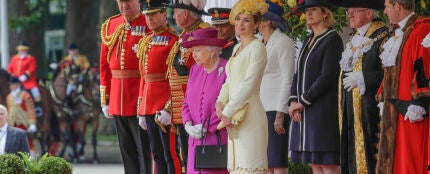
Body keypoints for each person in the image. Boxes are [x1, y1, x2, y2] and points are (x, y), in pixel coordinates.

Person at [332, 0, 389, 173]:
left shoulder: (384, 36)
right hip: (350, 109)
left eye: (354, 11)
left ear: (369, 13)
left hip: (371, 111)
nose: (349, 14)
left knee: (371, 158)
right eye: (349, 11)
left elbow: (391, 74)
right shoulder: (354, 38)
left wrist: (365, 77)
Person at [287, 0, 343, 173]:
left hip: (322, 110)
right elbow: (297, 73)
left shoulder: (332, 39)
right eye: (307, 10)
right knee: (313, 163)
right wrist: (293, 101)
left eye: (313, 10)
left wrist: (303, 101)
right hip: (304, 112)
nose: (308, 14)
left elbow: (327, 77)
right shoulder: (308, 39)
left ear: (325, 13)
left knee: (327, 163)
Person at [376, 0, 430, 173]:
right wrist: (383, 95)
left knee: (411, 161)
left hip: (412, 111)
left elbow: (423, 66)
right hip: (394, 111)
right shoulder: (397, 34)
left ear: (397, 6)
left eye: (387, 6)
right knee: (395, 160)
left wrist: (419, 103)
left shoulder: (422, 30)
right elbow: (390, 71)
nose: (384, 11)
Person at [215, 0, 269, 173]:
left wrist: (227, 112)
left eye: (246, 20)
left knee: (250, 168)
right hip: (233, 117)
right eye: (238, 19)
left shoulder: (257, 47)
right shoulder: (237, 47)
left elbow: (248, 85)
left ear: (257, 24)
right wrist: (220, 102)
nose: (240, 24)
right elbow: (229, 81)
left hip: (250, 116)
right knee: (237, 168)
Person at [99, 0, 151, 173]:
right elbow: (104, 66)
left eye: (128, 2)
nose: (124, 6)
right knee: (126, 151)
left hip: (138, 96)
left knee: (143, 150)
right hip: (116, 97)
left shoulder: (148, 22)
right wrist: (105, 99)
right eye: (121, 2)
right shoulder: (111, 24)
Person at [162, 0, 211, 172]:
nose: (173, 16)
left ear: (185, 14)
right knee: (184, 156)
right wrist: (170, 106)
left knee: (196, 157)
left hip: (196, 106)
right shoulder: (184, 35)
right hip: (181, 105)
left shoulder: (203, 32)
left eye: (175, 12)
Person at [135, 0, 180, 173]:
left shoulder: (174, 40)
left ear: (164, 14)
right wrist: (141, 110)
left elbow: (175, 79)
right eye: (147, 15)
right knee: (157, 155)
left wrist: (169, 107)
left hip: (164, 105)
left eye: (153, 14)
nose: (149, 18)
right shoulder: (146, 41)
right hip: (148, 104)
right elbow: (143, 78)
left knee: (171, 154)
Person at [180, 28, 229, 174]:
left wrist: (207, 126)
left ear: (213, 51)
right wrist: (188, 124)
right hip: (194, 141)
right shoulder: (195, 69)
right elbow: (186, 103)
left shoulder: (227, 68)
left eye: (197, 50)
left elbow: (228, 103)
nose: (193, 54)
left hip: (217, 140)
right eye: (193, 50)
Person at [258, 0, 295, 173]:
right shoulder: (260, 44)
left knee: (277, 162)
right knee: (264, 162)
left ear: (267, 21)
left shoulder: (283, 41)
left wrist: (281, 113)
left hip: (275, 108)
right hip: (260, 108)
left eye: (258, 17)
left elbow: (288, 78)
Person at [7, 41, 42, 116]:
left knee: (35, 91)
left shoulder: (31, 58)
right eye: (20, 50)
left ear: (26, 50)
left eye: (23, 50)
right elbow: (9, 69)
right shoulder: (14, 58)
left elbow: (32, 69)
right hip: (15, 81)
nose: (21, 51)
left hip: (28, 81)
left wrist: (25, 76)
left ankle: (38, 107)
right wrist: (13, 76)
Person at [5, 76, 37, 155]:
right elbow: (8, 110)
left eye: (13, 84)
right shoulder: (8, 97)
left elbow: (30, 110)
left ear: (17, 85)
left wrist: (32, 123)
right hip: (12, 124)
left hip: (22, 123)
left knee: (27, 143)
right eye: (10, 85)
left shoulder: (25, 95)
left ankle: (30, 160)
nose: (11, 86)